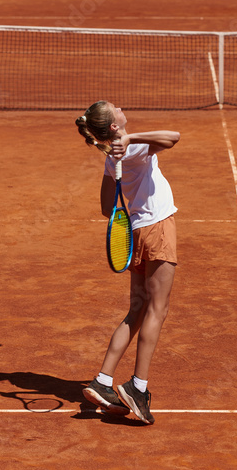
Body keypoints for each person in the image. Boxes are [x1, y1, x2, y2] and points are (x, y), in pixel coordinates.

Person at [75, 101, 180, 425]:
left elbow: (109, 207)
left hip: (135, 232)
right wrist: (133, 140)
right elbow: (173, 136)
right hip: (158, 227)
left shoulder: (111, 158)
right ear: (115, 126)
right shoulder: (133, 149)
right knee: (157, 310)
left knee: (137, 309)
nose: (120, 107)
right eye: (115, 108)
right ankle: (137, 388)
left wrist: (122, 148)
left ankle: (103, 382)